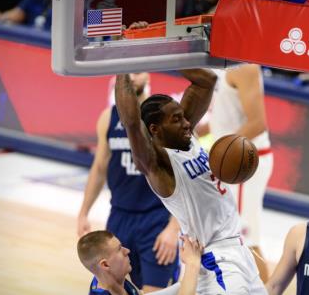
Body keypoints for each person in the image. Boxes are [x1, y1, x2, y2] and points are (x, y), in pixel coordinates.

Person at [114, 69, 267, 294]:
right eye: (177, 119)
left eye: (184, 116)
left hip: (239, 252)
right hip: (216, 259)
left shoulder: (186, 138)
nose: (187, 123)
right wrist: (124, 64)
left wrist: (162, 50)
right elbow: (132, 123)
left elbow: (207, 81)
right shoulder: (159, 164)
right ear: (156, 129)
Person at [77, 72, 180, 293]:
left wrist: (174, 228)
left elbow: (181, 177)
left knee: (155, 291)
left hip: (156, 220)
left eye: (139, 71)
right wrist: (83, 212)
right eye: (129, 71)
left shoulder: (162, 120)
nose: (133, 77)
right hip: (119, 218)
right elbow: (99, 167)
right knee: (115, 289)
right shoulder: (108, 118)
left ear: (149, 75)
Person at [205, 63, 273, 282]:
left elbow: (258, 123)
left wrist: (221, 150)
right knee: (229, 238)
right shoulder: (219, 62)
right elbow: (225, 114)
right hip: (232, 159)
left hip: (246, 161)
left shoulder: (245, 67)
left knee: (246, 240)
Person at [77, 230, 203, 295]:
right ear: (105, 265)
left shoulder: (112, 277)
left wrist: (186, 282)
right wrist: (192, 264)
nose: (127, 251)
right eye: (119, 249)